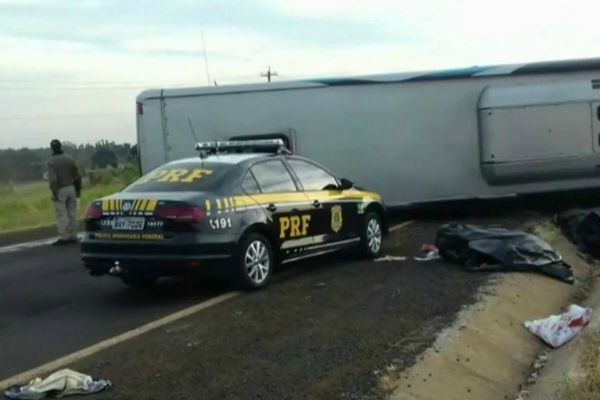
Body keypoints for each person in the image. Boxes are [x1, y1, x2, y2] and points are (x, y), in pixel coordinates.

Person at [47, 139, 81, 245]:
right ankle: (73, 235)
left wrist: (54, 193)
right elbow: (77, 175)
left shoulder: (51, 162)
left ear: (52, 148)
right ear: (61, 146)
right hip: (71, 187)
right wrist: (78, 189)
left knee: (61, 213)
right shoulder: (69, 158)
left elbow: (53, 180)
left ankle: (64, 236)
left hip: (60, 188)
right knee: (72, 212)